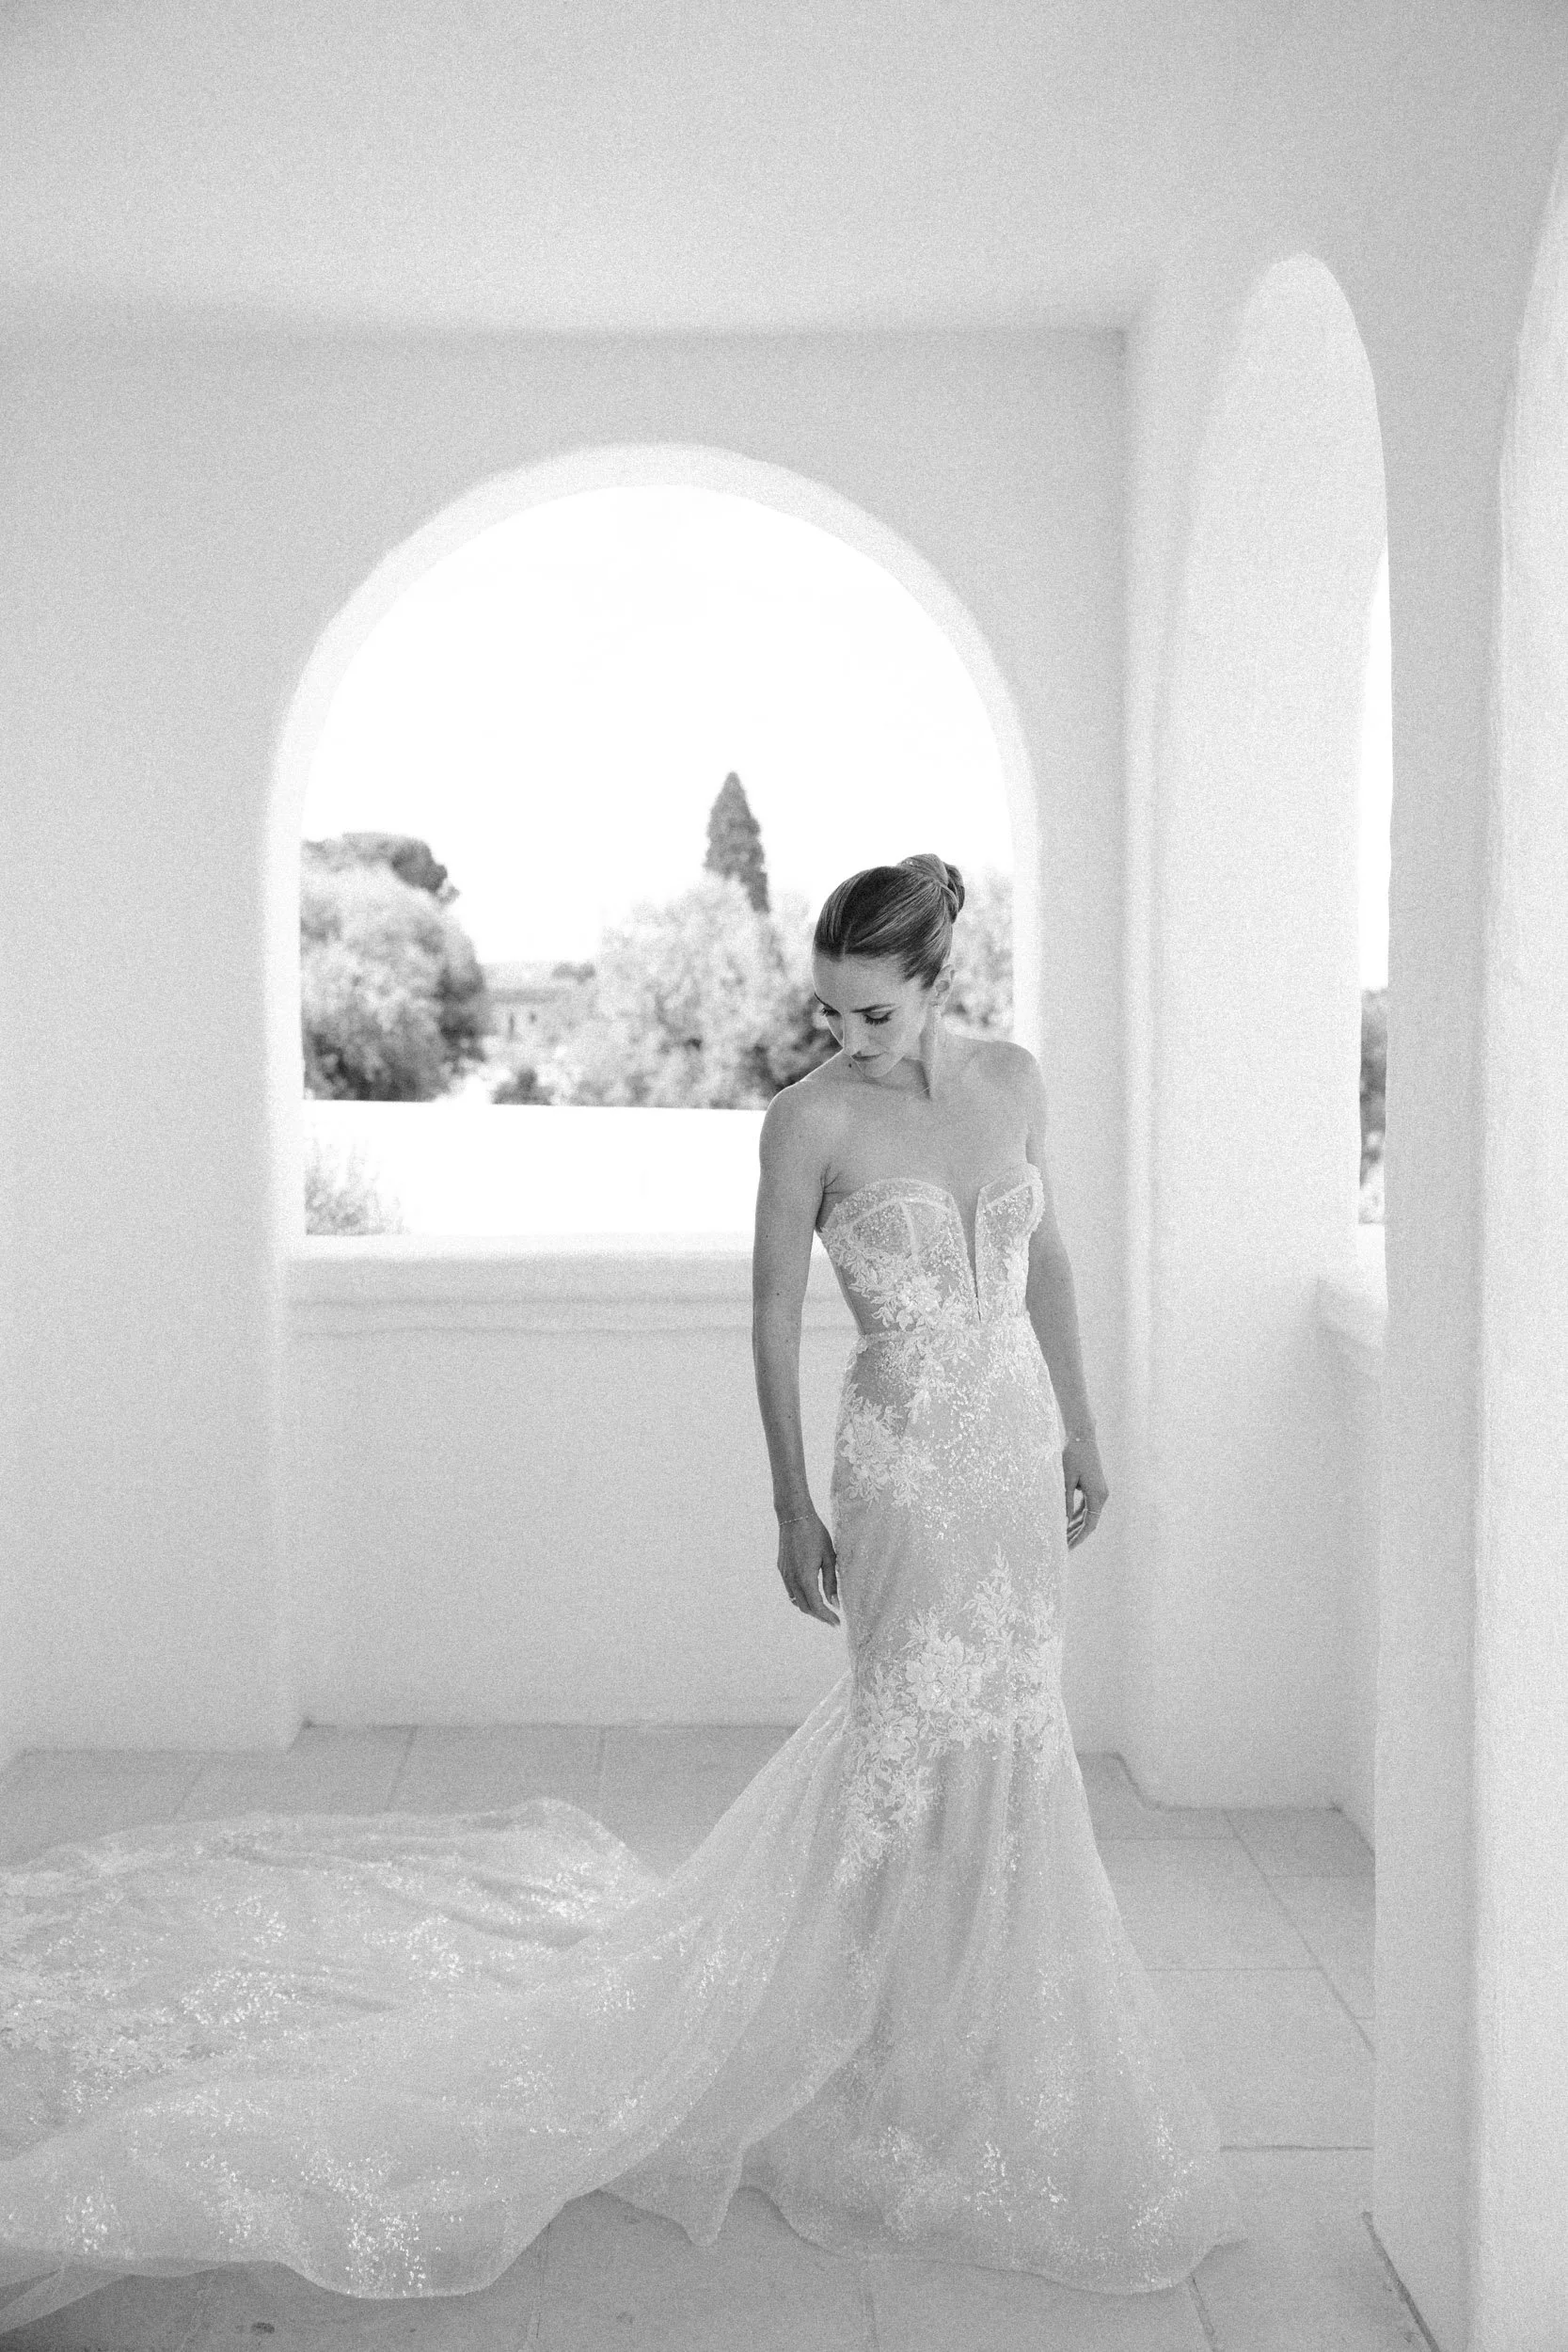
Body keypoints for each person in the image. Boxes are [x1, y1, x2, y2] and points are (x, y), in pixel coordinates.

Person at [0, 855, 1242, 2332]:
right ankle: (868, 2035)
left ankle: (973, 2022)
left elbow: (1050, 1266)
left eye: (873, 1010)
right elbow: (772, 1316)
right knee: (907, 1740)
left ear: (933, 981)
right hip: (904, 1464)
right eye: (828, 1010)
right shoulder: (809, 1120)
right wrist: (788, 1500)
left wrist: (1084, 1429)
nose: (846, 1034)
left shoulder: (1013, 1082)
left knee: (1014, 1737)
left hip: (1013, 1451)